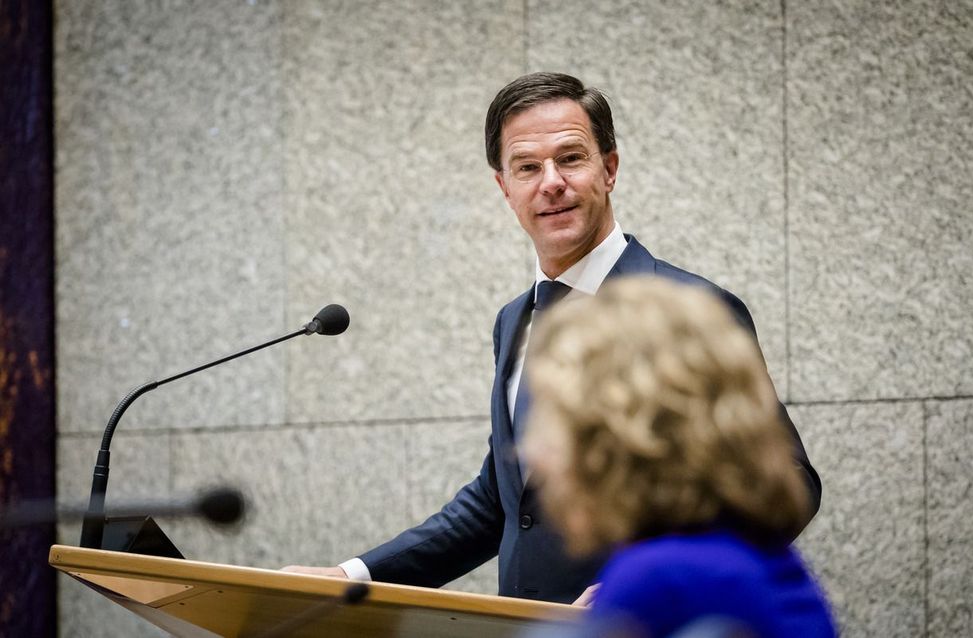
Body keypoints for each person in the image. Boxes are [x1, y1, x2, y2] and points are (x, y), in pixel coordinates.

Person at [283, 72, 821, 604]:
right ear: (505, 188)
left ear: (609, 169)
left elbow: (789, 486)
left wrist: (655, 587)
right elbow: (504, 501)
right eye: (527, 167)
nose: (551, 182)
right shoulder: (512, 320)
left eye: (570, 158)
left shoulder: (690, 308)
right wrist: (355, 577)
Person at [520, 277, 836, 637]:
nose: (534, 451)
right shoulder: (754, 556)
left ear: (612, 441)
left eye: (553, 419)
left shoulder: (659, 580)